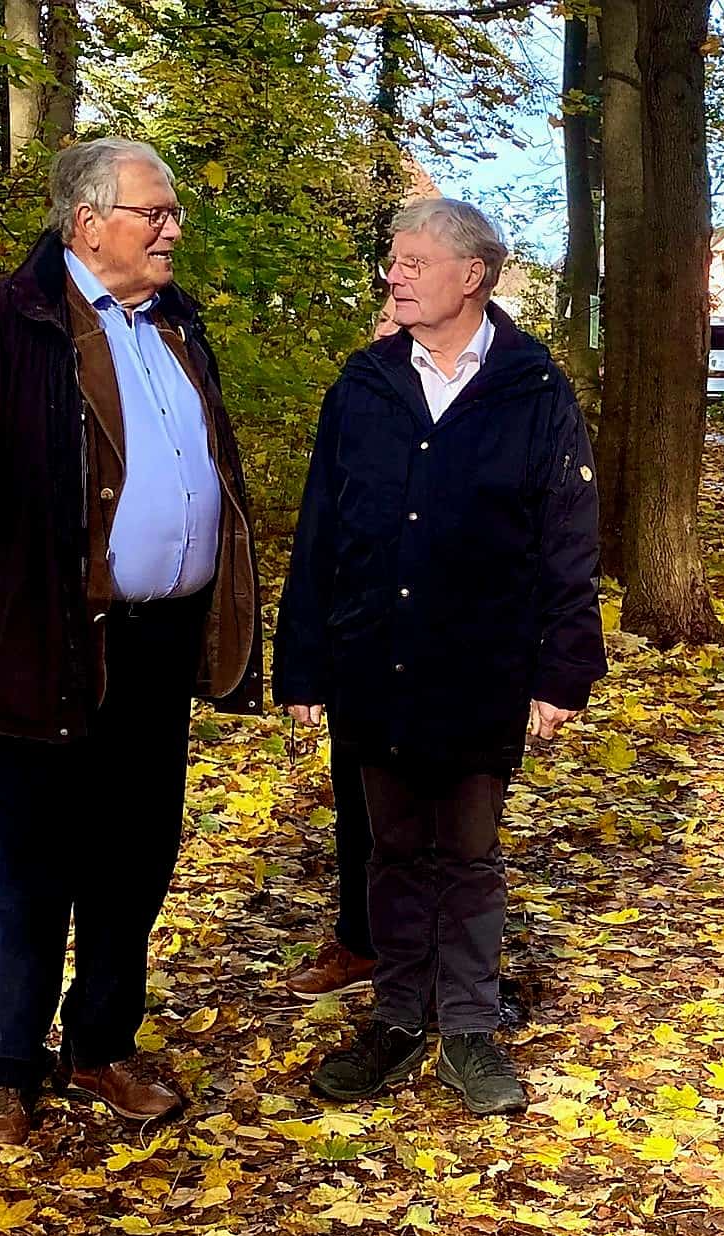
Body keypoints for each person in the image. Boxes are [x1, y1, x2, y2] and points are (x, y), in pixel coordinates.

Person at [0, 138, 263, 1150]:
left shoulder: (177, 325)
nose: (172, 231)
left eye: (172, 214)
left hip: (161, 642)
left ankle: (100, 1044)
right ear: (87, 223)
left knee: (137, 854)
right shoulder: (5, 324)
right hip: (50, 641)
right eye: (153, 213)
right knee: (36, 860)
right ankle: (5, 1069)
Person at [274, 198, 605, 1115]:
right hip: (374, 660)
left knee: (465, 853)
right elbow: (319, 533)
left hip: (481, 667)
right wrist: (301, 666)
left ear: (474, 274)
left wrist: (563, 665)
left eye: (415, 261)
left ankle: (466, 1026)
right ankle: (394, 1018)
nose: (395, 274)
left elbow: (568, 539)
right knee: (389, 850)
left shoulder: (534, 390)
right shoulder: (365, 384)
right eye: (394, 259)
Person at [280, 294, 401, 1003]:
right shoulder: (354, 398)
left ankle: (443, 967)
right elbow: (317, 535)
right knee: (358, 803)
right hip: (360, 638)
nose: (386, 322)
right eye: (381, 311)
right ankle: (360, 941)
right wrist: (304, 662)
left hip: (450, 652)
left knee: (445, 823)